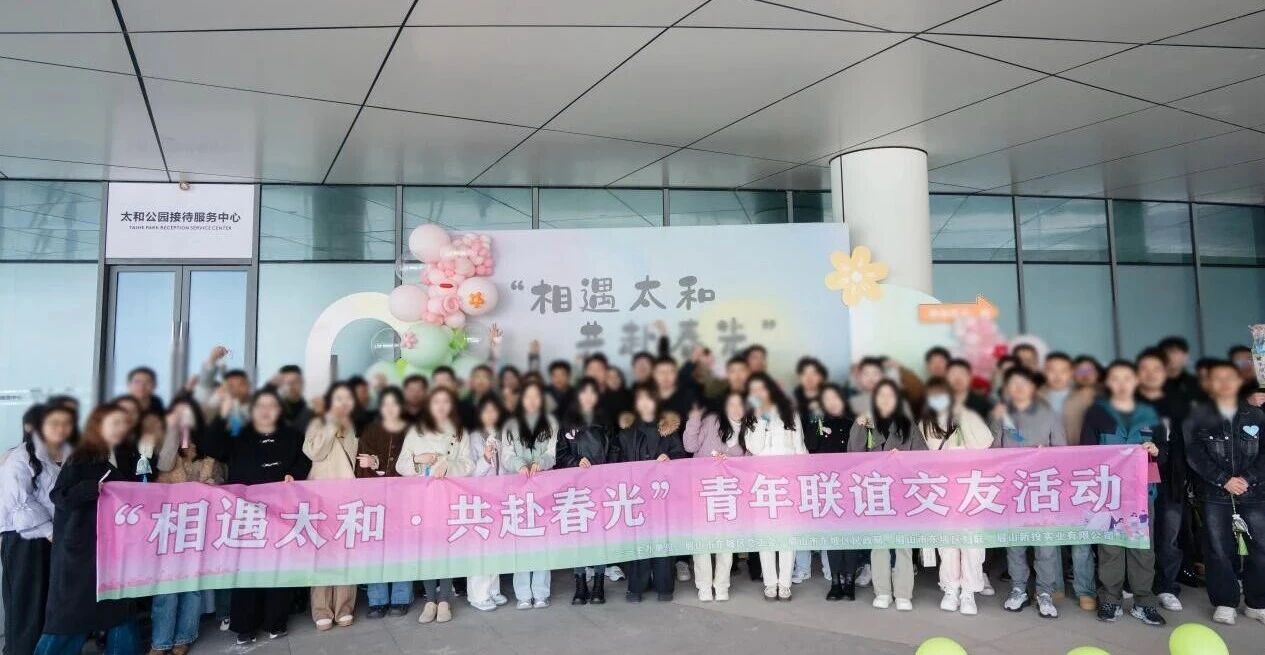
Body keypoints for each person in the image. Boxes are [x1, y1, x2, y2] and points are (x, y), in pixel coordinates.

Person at [201, 389, 311, 644]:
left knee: (278, 565)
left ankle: (276, 621)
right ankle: (245, 625)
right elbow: (211, 446)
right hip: (246, 512)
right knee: (247, 568)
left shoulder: (291, 434)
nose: (266, 411)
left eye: (272, 405)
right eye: (261, 405)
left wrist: (294, 473)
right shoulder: (239, 433)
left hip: (281, 512)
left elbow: (304, 460)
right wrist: (221, 415)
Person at [34, 403, 140, 655]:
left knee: (119, 612)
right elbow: (60, 496)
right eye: (115, 423)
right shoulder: (82, 456)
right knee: (70, 619)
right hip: (81, 554)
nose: (121, 429)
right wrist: (90, 488)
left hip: (112, 550)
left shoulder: (126, 454)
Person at [1080, 361, 1167, 626]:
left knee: (1143, 548)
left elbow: (1165, 450)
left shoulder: (1150, 413)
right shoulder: (1097, 413)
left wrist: (1156, 450)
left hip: (1142, 493)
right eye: (1115, 378)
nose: (1121, 384)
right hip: (1109, 493)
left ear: (1136, 381)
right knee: (1110, 548)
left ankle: (1144, 602)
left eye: (1127, 378)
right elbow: (1086, 452)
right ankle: (1110, 600)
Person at [1183, 360, 1265, 626]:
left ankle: (1257, 603)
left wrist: (1247, 479)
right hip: (1215, 494)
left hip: (1254, 493)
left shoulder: (1256, 415)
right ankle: (1225, 602)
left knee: (1261, 548)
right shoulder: (1197, 416)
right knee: (1218, 548)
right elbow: (1194, 454)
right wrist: (1224, 480)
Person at [991, 367, 1066, 619]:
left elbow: (1064, 454)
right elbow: (991, 452)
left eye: (1024, 383)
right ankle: (1018, 589)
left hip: (1043, 489)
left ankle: (1045, 592)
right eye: (1013, 383)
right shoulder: (1002, 415)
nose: (1019, 388)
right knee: (1015, 544)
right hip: (1012, 490)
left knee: (1045, 546)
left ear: (1033, 387)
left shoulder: (1050, 414)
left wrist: (1048, 455)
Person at [397, 387, 474, 624]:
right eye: (436, 401)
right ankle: (430, 600)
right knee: (427, 548)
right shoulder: (416, 431)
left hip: (449, 497)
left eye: (445, 402)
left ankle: (444, 601)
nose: (441, 406)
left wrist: (449, 465)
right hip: (422, 499)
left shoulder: (459, 432)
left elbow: (469, 465)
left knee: (446, 548)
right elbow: (400, 465)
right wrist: (418, 460)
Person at [149, 396, 219, 655]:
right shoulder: (165, 443)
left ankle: (184, 637)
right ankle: (160, 642)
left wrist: (212, 485)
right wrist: (174, 429)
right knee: (166, 587)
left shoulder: (207, 454)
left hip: (197, 526)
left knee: (192, 587)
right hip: (168, 525)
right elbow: (164, 464)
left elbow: (218, 481)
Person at [1, 404, 73, 655]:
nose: (61, 429)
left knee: (48, 601)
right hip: (25, 539)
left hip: (54, 537)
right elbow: (20, 502)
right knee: (26, 604)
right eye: (53, 423)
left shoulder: (63, 454)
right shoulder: (18, 458)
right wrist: (50, 531)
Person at [918, 377, 993, 616]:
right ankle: (951, 589)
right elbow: (923, 454)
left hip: (970, 490)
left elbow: (984, 444)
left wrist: (962, 417)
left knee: (972, 544)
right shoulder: (926, 422)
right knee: (947, 544)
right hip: (942, 491)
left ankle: (969, 592)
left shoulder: (968, 415)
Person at [848, 380, 925, 610]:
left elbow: (924, 458)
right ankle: (882, 591)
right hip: (876, 493)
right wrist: (859, 426)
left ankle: (903, 593)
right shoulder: (866, 423)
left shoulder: (908, 425)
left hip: (902, 494)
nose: (885, 400)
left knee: (903, 546)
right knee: (879, 544)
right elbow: (853, 454)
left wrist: (903, 459)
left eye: (890, 395)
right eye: (880, 395)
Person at [1136, 349, 1196, 608]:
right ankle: (1135, 583)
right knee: (1136, 531)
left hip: (1170, 478)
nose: (1151, 374)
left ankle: (1166, 586)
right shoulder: (1127, 404)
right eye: (1145, 369)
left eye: (1156, 369)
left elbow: (1186, 443)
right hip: (1136, 481)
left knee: (1168, 535)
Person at [616, 384, 686, 602]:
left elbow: (681, 456)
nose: (645, 404)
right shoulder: (627, 432)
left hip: (662, 495)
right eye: (641, 400)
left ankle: (664, 586)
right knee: (638, 539)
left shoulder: (669, 429)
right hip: (636, 494)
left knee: (662, 538)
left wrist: (669, 459)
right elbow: (617, 462)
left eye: (649, 399)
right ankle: (637, 585)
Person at [682, 391, 751, 602]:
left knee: (725, 542)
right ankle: (703, 586)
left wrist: (731, 461)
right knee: (702, 540)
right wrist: (695, 416)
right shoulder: (711, 421)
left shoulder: (749, 428)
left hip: (729, 493)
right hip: (703, 491)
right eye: (732, 404)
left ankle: (721, 585)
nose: (736, 409)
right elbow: (690, 446)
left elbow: (751, 461)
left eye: (740, 404)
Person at [302, 382, 360, 630]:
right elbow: (313, 452)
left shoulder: (353, 426)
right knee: (322, 552)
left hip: (347, 496)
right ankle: (321, 609)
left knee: (346, 550)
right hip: (321, 497)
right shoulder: (317, 423)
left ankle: (344, 606)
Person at [355, 387, 417, 617]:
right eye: (386, 404)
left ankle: (401, 597)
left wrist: (379, 464)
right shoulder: (370, 431)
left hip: (404, 497)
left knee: (402, 546)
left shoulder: (410, 431)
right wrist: (374, 464)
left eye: (394, 404)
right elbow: (361, 466)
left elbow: (411, 462)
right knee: (376, 546)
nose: (390, 408)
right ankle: (377, 599)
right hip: (375, 499)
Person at [745, 372, 807, 601]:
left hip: (787, 482)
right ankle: (770, 583)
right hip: (763, 483)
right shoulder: (753, 415)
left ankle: (785, 583)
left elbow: (800, 448)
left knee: (787, 534)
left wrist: (801, 480)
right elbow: (753, 447)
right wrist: (761, 420)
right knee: (766, 534)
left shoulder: (790, 412)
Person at [557, 379, 617, 605]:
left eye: (593, 392)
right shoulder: (567, 423)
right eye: (584, 392)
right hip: (576, 488)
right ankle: (580, 584)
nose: (588, 397)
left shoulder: (605, 421)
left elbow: (615, 450)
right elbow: (560, 454)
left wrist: (606, 471)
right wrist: (575, 461)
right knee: (578, 537)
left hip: (600, 486)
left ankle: (599, 584)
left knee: (599, 537)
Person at [502, 381, 559, 608]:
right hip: (518, 490)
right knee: (521, 540)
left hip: (543, 490)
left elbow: (553, 454)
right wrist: (519, 464)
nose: (532, 401)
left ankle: (541, 592)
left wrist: (540, 462)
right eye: (528, 397)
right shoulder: (511, 425)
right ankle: (523, 594)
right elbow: (506, 455)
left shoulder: (551, 423)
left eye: (537, 397)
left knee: (543, 540)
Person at [804, 384, 856, 600]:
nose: (832, 403)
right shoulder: (818, 423)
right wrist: (816, 423)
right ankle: (835, 582)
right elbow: (811, 446)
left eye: (835, 398)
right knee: (833, 536)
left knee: (850, 536)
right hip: (828, 487)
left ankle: (849, 581)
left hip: (851, 486)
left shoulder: (853, 423)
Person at [466, 394, 510, 612]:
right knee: (479, 547)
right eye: (486, 411)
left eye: (494, 410)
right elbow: (470, 473)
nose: (491, 415)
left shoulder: (502, 435)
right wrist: (484, 458)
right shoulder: (473, 437)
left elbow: (505, 468)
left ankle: (492, 589)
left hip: (498, 497)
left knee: (495, 545)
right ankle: (477, 594)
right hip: (478, 499)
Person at [1158, 336, 1200, 404]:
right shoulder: (1155, 383)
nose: (1169, 356)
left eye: (1174, 352)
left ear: (1186, 356)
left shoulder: (1197, 383)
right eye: (1165, 353)